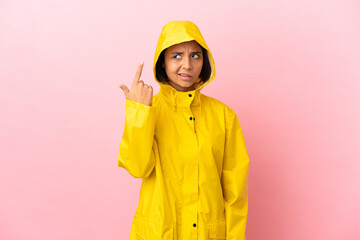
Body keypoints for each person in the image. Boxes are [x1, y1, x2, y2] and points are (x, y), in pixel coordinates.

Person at [118, 20, 249, 240]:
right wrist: (139, 113)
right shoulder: (150, 111)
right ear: (162, 62)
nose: (187, 65)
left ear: (204, 62)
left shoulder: (224, 116)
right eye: (176, 55)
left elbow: (236, 195)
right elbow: (137, 167)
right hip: (158, 233)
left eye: (195, 55)